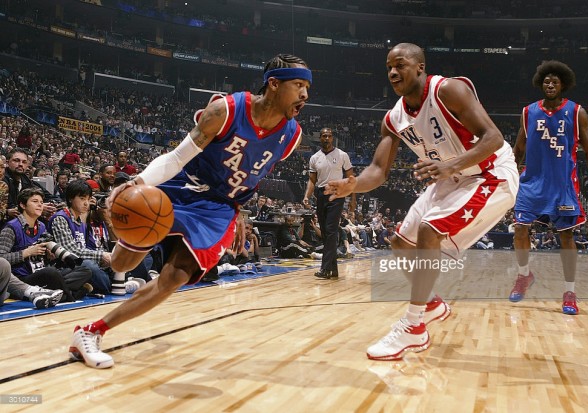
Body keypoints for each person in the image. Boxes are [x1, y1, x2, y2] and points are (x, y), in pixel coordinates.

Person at [69, 53, 311, 368]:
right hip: (183, 185)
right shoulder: (225, 111)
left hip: (219, 207)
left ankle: (92, 331)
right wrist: (136, 182)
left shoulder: (292, 136)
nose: (305, 95)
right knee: (120, 261)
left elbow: (251, 175)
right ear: (274, 84)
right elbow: (176, 158)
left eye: (307, 87)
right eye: (298, 85)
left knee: (175, 276)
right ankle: (122, 252)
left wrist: (240, 213)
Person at [324, 43, 518, 360]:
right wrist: (354, 185)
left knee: (430, 229)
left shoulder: (448, 90)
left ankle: (414, 328)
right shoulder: (393, 118)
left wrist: (451, 165)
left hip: (490, 174)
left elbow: (493, 137)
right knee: (401, 242)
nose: (392, 72)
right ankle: (431, 304)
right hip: (451, 177)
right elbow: (378, 170)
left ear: (420, 66)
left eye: (399, 64)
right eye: (388, 66)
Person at [508, 60, 588, 315]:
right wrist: (507, 178)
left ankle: (570, 292)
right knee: (520, 229)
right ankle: (523, 275)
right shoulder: (528, 112)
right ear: (541, 84)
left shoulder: (576, 112)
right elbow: (518, 150)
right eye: (546, 81)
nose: (550, 84)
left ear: (563, 84)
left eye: (555, 81)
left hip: (562, 185)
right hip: (532, 183)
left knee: (566, 237)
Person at [0, 187, 92, 301]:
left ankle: (55, 294)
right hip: (23, 278)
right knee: (51, 273)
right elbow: (2, 259)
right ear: (23, 205)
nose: (40, 205)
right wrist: (26, 253)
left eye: (41, 202)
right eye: (35, 202)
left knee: (84, 270)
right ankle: (69, 296)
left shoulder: (42, 226)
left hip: (41, 273)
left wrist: (49, 256)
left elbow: (45, 257)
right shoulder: (11, 228)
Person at [303, 128, 355, 279]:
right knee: (326, 233)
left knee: (331, 230)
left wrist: (353, 199)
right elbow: (312, 180)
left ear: (333, 138)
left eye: (329, 136)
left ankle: (325, 269)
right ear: (320, 138)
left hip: (336, 193)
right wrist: (307, 195)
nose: (326, 138)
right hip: (320, 194)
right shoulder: (314, 158)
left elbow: (351, 179)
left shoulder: (342, 155)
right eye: (324, 136)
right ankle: (334, 269)